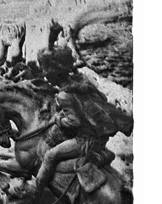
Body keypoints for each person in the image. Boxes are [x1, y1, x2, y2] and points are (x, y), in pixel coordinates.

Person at [32, 45, 133, 192]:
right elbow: (101, 99)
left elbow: (74, 122)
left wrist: (58, 119)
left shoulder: (64, 95)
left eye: (45, 71)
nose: (44, 75)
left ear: (54, 74)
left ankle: (37, 189)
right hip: (99, 137)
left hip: (84, 140)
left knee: (50, 156)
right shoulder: (81, 82)